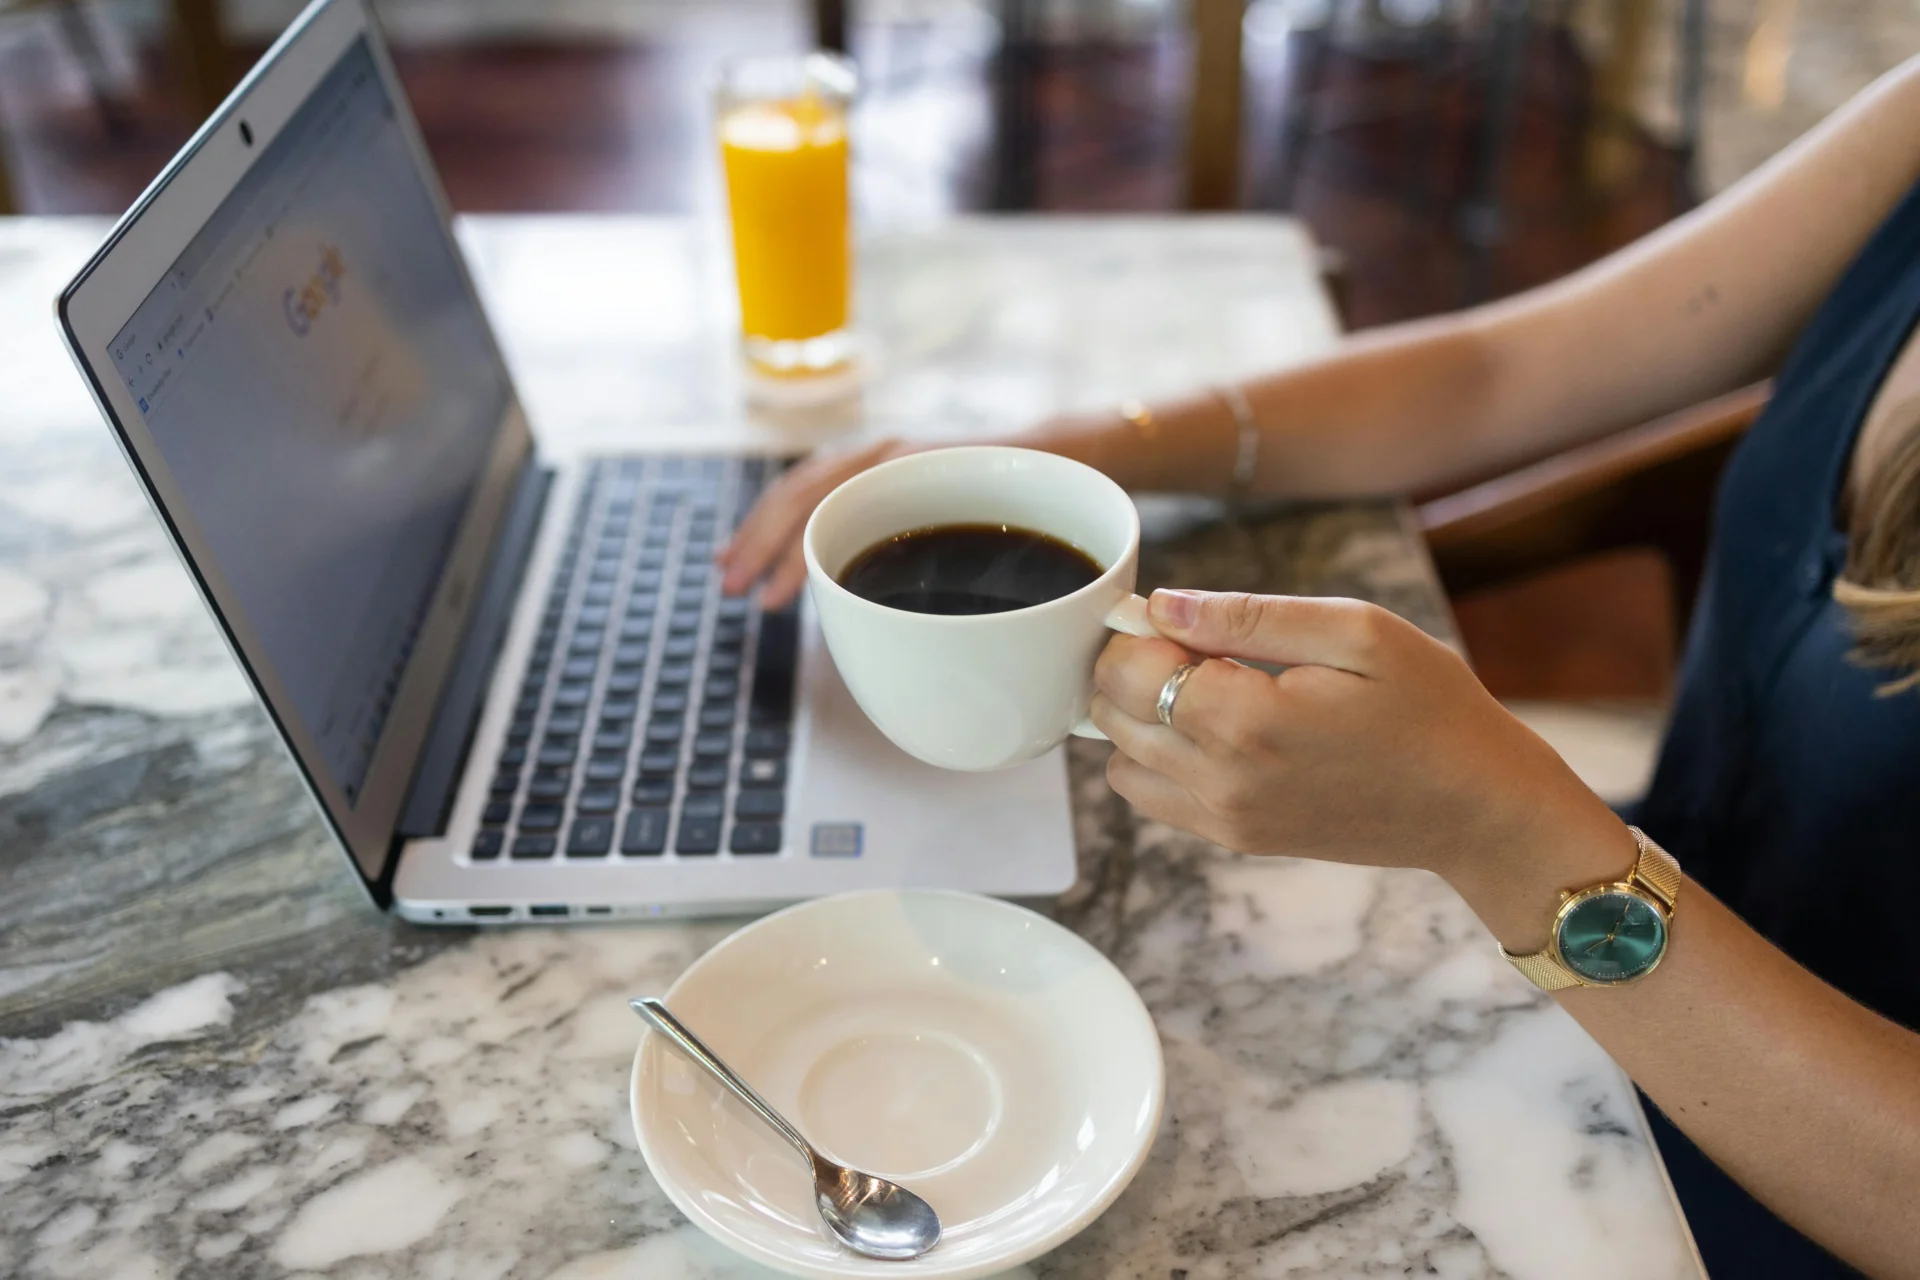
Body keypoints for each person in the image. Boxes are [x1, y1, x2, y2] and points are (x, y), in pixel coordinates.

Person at [719, 55, 1920, 1280]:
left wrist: (1502, 826)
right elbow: (1505, 369)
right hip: (1626, 929)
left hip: (1780, 1160)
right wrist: (1067, 452)